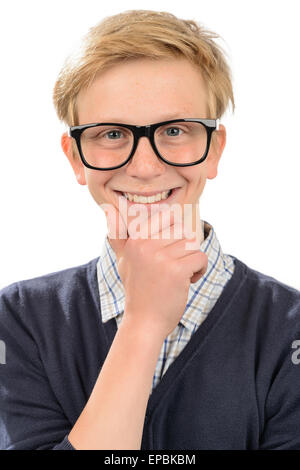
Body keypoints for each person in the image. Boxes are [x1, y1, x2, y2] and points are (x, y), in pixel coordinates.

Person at [0, 9, 300, 451]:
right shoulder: (18, 319)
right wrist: (143, 324)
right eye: (112, 134)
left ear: (213, 150)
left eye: (176, 130)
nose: (144, 166)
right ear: (75, 158)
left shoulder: (287, 330)